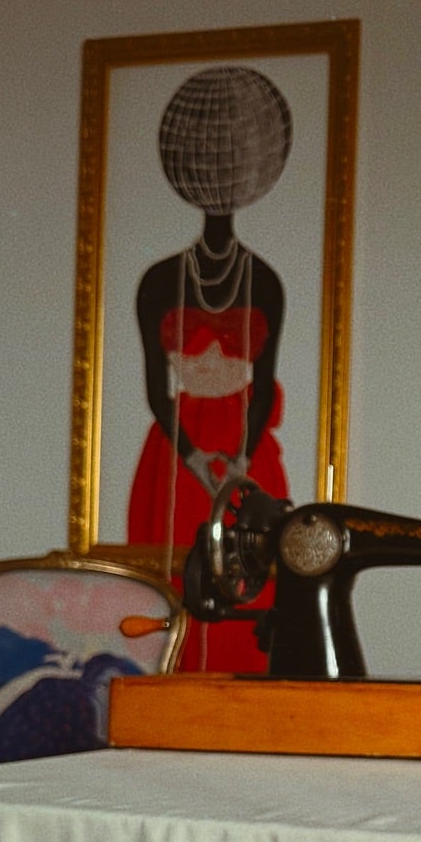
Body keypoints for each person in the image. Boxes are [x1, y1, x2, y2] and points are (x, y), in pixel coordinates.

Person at [127, 64, 292, 672]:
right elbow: (154, 387)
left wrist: (241, 464)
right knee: (175, 581)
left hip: (244, 454)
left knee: (246, 578)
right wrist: (194, 457)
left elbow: (266, 384)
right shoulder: (158, 282)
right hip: (177, 452)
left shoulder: (266, 282)